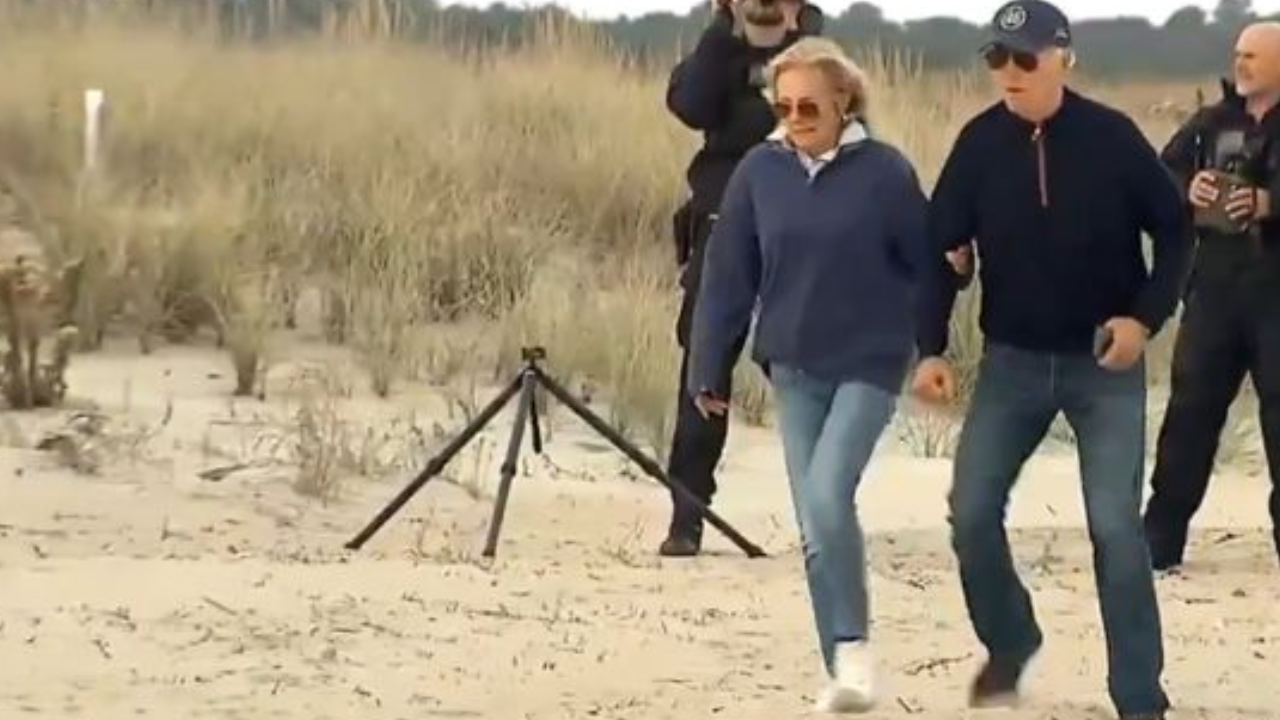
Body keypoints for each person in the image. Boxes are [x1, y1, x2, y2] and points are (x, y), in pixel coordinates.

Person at [911, 2, 1194, 719]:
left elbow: (1177, 234)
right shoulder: (977, 145)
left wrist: (1143, 320)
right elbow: (940, 249)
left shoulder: (1114, 139)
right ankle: (1011, 641)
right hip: (1011, 362)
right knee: (971, 513)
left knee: (1114, 530)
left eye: (1024, 59)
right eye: (997, 59)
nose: (1009, 73)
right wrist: (932, 348)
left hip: (1104, 363)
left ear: (1064, 57)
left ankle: (1139, 697)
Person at [686, 36, 931, 713]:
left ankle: (852, 645)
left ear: (843, 100)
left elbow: (928, 263)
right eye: (784, 105)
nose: (795, 116)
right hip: (793, 363)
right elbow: (728, 276)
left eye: (808, 105)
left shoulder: (885, 172)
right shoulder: (759, 172)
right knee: (816, 524)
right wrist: (710, 364)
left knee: (827, 495)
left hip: (871, 359)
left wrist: (930, 343)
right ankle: (847, 673)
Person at [659, 0, 825, 557]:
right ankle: (687, 513)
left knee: (803, 368)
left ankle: (822, 514)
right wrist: (722, 32)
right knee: (704, 363)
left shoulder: (819, 58)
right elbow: (691, 104)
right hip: (721, 221)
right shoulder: (716, 54)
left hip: (801, 226)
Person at [1142, 22, 1280, 572]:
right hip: (1215, 290)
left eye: (1252, 55)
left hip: (1276, 292)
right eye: (1237, 54)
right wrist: (1189, 187)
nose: (1239, 63)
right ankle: (1160, 540)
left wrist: (1270, 203)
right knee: (1190, 413)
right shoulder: (1210, 122)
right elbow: (1157, 177)